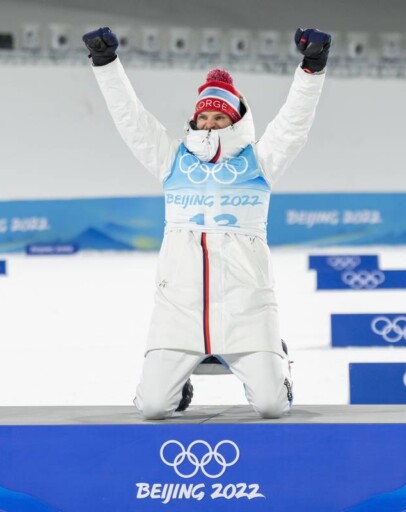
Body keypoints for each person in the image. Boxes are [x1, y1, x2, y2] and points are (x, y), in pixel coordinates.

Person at [83, 26, 330, 419]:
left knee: (271, 406)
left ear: (234, 119)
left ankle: (275, 362)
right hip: (179, 308)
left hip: (248, 307)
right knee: (153, 407)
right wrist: (105, 63)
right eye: (205, 116)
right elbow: (131, 120)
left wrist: (312, 68)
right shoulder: (172, 161)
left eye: (219, 116)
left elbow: (293, 124)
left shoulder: (260, 162)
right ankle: (178, 383)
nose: (211, 124)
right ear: (195, 120)